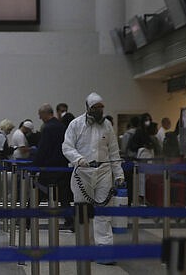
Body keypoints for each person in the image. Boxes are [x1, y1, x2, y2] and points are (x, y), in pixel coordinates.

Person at [62, 93, 124, 263]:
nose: (99, 110)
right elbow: (67, 147)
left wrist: (119, 174)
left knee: (103, 213)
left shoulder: (107, 125)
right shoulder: (75, 124)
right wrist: (78, 159)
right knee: (83, 214)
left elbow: (113, 151)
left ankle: (104, 251)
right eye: (95, 107)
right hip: (82, 173)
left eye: (101, 107)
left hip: (104, 172)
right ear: (88, 108)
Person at [33, 104, 74, 230]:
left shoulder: (48, 128)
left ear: (46, 113)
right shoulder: (62, 126)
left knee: (37, 194)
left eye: (40, 115)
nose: (40, 118)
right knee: (64, 196)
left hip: (49, 167)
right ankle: (70, 221)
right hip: (62, 166)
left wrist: (35, 164)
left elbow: (43, 149)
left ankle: (26, 219)